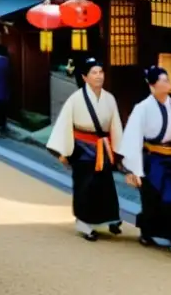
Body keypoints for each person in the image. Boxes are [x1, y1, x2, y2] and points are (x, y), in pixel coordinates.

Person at [118, 66, 171, 259]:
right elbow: (133, 139)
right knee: (152, 200)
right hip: (152, 160)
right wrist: (133, 170)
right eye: (163, 80)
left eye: (167, 79)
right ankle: (148, 232)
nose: (167, 83)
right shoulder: (142, 109)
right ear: (152, 85)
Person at [46, 58, 124, 241]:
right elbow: (64, 124)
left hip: (102, 147)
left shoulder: (109, 98)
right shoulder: (76, 99)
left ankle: (109, 217)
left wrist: (119, 151)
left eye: (101, 72)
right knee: (84, 184)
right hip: (81, 147)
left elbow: (115, 125)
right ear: (85, 77)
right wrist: (62, 152)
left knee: (105, 184)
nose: (98, 76)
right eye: (94, 73)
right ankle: (83, 221)